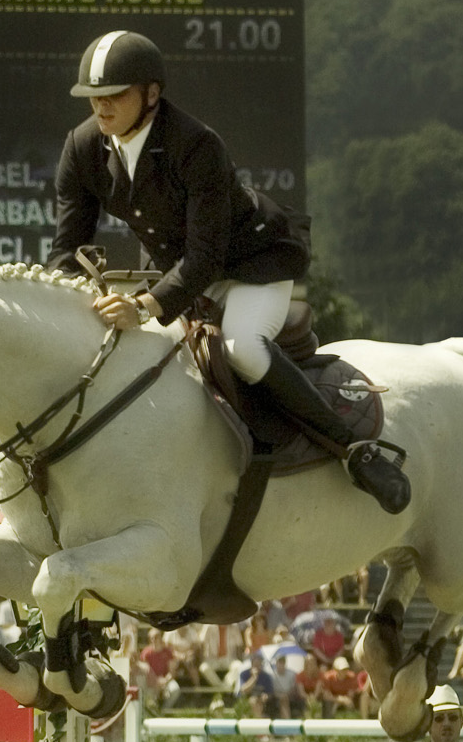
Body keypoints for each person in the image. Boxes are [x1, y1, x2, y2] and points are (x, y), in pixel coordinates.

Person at [48, 29, 409, 514]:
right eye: (94, 97)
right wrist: (55, 304)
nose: (101, 107)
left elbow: (206, 259)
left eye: (115, 94)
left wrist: (143, 307)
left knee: (242, 348)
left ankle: (354, 451)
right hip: (180, 269)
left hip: (250, 263)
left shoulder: (195, 144)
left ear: (151, 94)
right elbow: (66, 249)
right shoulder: (83, 146)